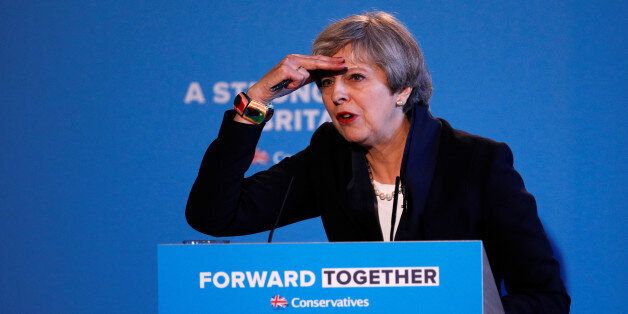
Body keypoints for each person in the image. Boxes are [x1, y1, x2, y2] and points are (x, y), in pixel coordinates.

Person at [186, 11, 570, 313]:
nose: (336, 94)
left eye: (355, 78)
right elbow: (214, 214)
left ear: (402, 88)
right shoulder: (329, 157)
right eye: (325, 82)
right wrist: (255, 100)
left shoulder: (476, 163)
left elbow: (546, 298)